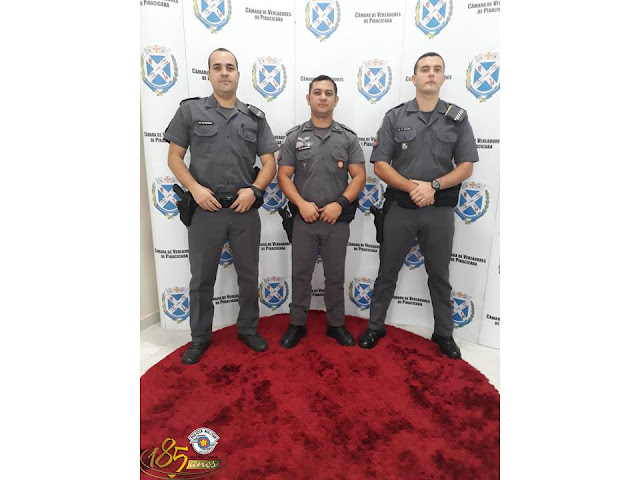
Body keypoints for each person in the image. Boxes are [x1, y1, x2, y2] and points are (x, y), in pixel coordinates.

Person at [358, 52, 479, 359]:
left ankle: (444, 333)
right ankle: (375, 326)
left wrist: (433, 187)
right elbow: (380, 165)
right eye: (424, 69)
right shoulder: (395, 117)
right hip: (401, 209)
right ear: (413, 78)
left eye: (437, 69)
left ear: (443, 77)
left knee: (439, 275)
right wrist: (414, 188)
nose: (431, 74)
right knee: (387, 271)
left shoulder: (457, 118)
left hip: (439, 211)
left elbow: (466, 165)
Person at [164, 48, 278, 364]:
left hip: (244, 211)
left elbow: (269, 163)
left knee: (248, 276)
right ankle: (200, 338)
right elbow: (174, 157)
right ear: (209, 74)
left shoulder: (254, 118)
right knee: (201, 279)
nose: (224, 72)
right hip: (206, 210)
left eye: (230, 67)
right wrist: (196, 189)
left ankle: (248, 329)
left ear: (238, 74)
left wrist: (255, 190)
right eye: (217, 67)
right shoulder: (190, 111)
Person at [277, 75, 366, 349]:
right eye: (317, 92)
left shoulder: (348, 138)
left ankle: (336, 324)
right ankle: (297, 324)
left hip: (336, 220)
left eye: (328, 93)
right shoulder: (295, 137)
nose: (323, 97)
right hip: (304, 220)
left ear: (336, 100)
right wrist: (301, 204)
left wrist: (340, 203)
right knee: (300, 275)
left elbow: (359, 176)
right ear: (308, 98)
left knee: (335, 276)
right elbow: (283, 176)